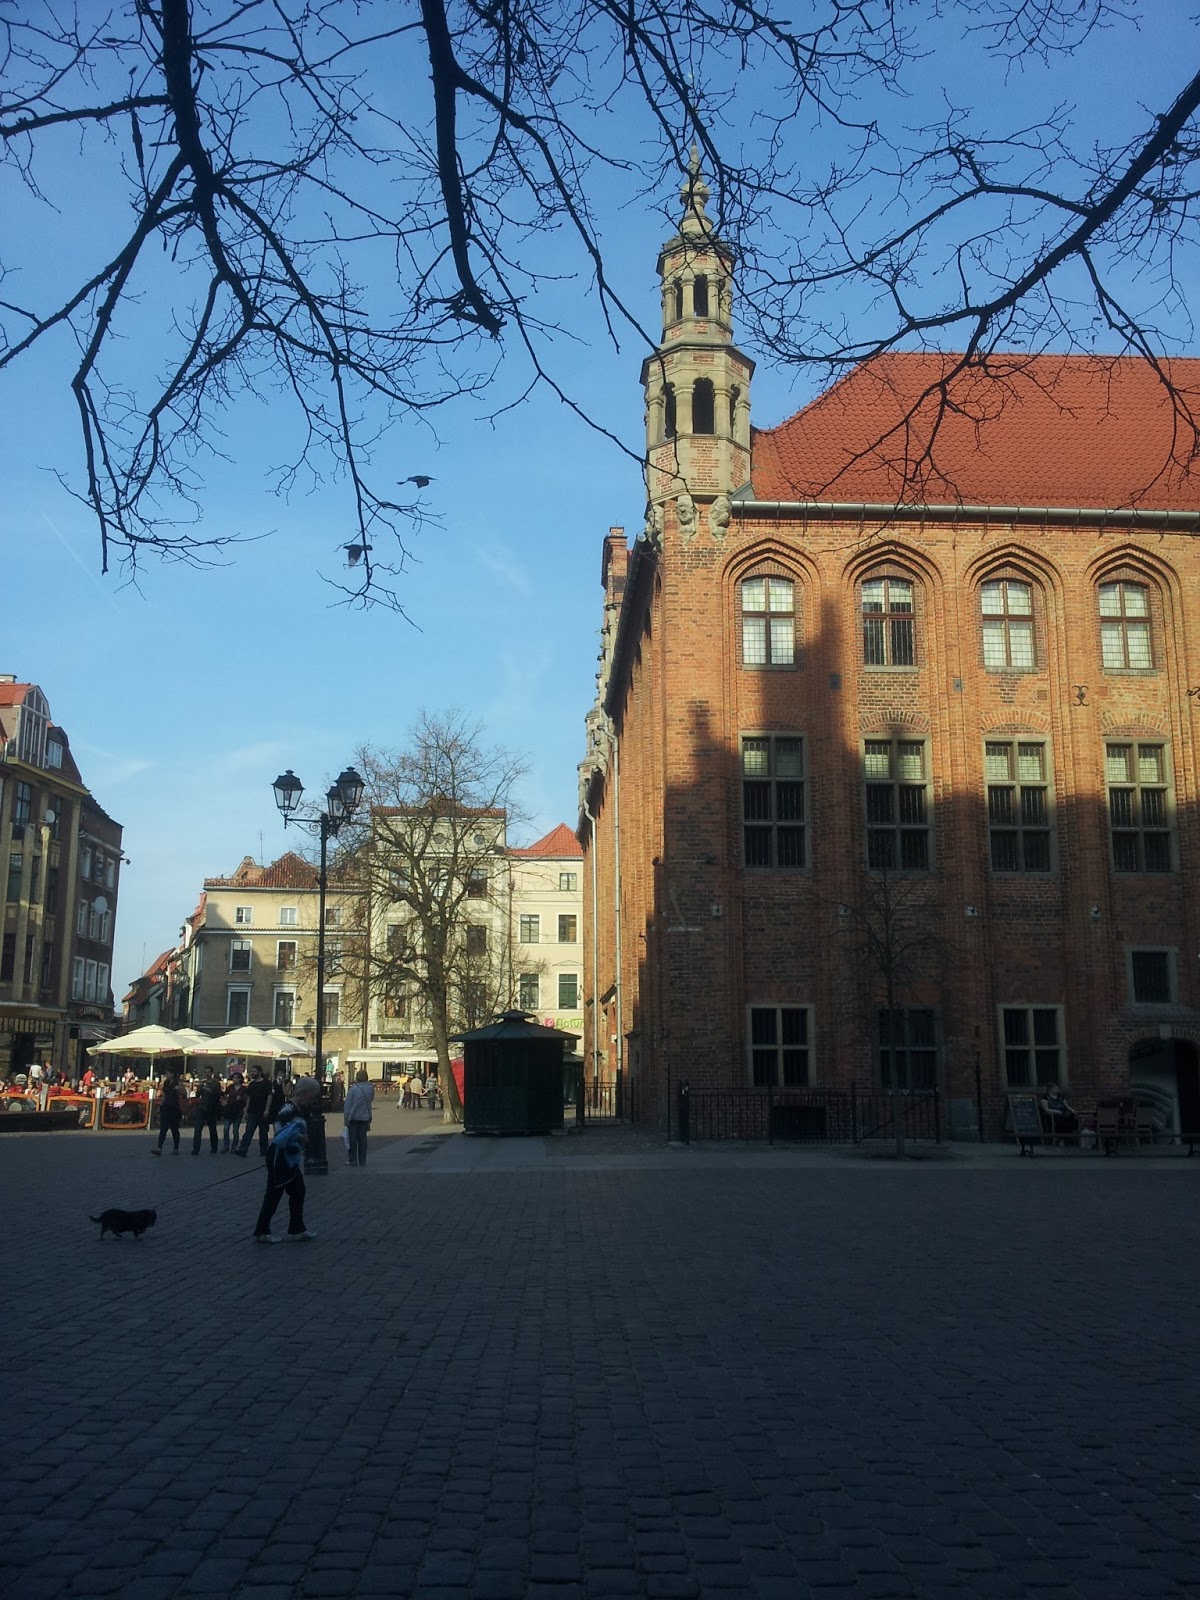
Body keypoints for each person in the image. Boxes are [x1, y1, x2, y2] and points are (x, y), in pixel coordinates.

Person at [251, 1076, 320, 1242]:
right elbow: (279, 1132)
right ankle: (262, 1231)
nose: (312, 1101)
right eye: (311, 1097)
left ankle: (297, 1229)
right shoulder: (288, 1109)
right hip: (280, 1157)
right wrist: (300, 1137)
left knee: (298, 1191)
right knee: (274, 1194)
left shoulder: (298, 1109)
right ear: (303, 1093)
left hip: (289, 1158)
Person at [235, 1066, 273, 1157]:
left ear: (260, 1072)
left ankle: (264, 1151)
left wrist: (267, 1109)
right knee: (248, 1131)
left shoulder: (267, 1083)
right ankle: (243, 1150)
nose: (252, 1073)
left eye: (254, 1071)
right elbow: (249, 1097)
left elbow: (270, 1096)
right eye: (252, 1071)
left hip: (263, 1111)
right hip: (252, 1111)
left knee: (263, 1133)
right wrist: (246, 1110)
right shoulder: (252, 1084)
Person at [342, 1069, 374, 1167]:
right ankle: (362, 1160)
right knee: (363, 1139)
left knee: (352, 1139)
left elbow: (348, 1105)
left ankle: (353, 1159)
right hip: (365, 1116)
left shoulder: (353, 1089)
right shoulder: (371, 1088)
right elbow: (370, 1100)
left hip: (354, 1117)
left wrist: (346, 1118)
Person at [191, 1071, 222, 1154]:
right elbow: (197, 1095)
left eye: (208, 1072)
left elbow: (218, 1095)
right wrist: (199, 1088)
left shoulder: (216, 1083)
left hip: (211, 1108)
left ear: (211, 1073)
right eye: (206, 1072)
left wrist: (210, 1091)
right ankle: (196, 1148)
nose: (207, 1074)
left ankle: (214, 1148)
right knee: (197, 1129)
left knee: (212, 1129)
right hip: (202, 1107)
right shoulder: (203, 1083)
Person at [152, 1074, 182, 1155]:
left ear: (172, 1074)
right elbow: (164, 1094)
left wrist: (178, 1089)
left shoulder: (178, 1082)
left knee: (174, 1129)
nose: (167, 1075)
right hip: (165, 1106)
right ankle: (159, 1148)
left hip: (174, 1108)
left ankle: (176, 1148)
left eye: (168, 1073)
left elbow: (184, 1093)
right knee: (163, 1129)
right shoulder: (166, 1082)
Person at [221, 1072, 247, 1151]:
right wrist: (225, 1101)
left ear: (239, 1079)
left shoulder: (243, 1089)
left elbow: (246, 1099)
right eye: (233, 1078)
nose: (234, 1079)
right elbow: (224, 1095)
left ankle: (234, 1146)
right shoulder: (230, 1087)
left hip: (238, 1111)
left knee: (235, 1130)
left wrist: (241, 1099)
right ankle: (226, 1145)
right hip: (229, 1109)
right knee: (226, 1129)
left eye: (235, 1078)